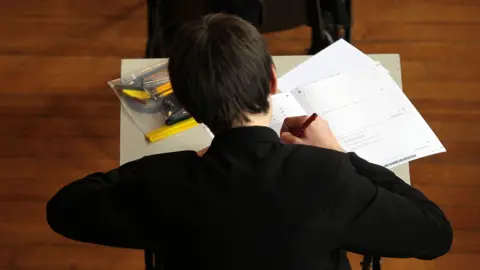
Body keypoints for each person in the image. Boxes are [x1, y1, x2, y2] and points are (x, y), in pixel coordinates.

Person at [47, 13, 452, 270]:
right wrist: (341, 157)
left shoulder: (164, 184)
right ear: (274, 80)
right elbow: (435, 233)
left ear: (185, 103)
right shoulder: (331, 179)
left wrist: (184, 162)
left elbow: (64, 208)